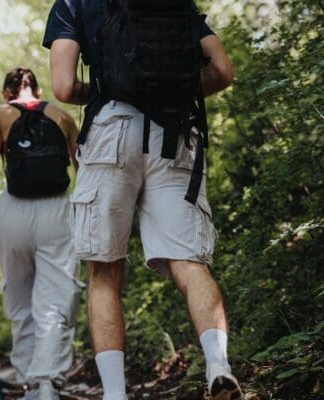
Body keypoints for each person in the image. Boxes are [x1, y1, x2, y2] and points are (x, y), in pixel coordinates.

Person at [42, 1, 240, 399]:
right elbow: (222, 71)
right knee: (189, 261)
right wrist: (169, 89)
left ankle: (116, 394)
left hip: (111, 129)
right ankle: (219, 366)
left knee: (104, 271)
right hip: (175, 132)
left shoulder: (72, 3)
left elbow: (63, 88)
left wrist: (109, 86)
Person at [0, 68, 83, 400]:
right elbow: (83, 165)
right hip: (57, 212)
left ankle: (30, 384)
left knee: (19, 299)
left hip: (13, 213)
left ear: (7, 92)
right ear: (37, 90)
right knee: (56, 298)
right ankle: (47, 381)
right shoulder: (62, 116)